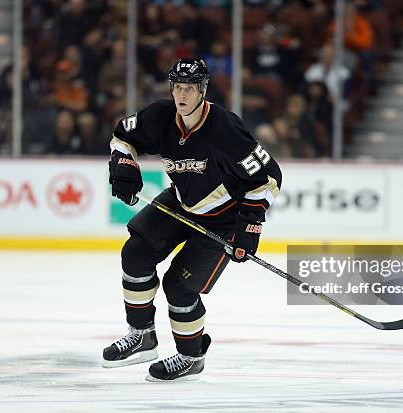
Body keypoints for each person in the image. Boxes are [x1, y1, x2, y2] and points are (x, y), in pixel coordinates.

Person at [103, 58, 282, 381]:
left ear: (202, 91)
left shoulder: (226, 130)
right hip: (182, 202)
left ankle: (191, 355)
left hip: (225, 219)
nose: (181, 95)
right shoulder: (159, 117)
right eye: (177, 87)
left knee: (179, 286)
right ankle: (142, 336)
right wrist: (123, 166)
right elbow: (122, 137)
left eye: (189, 88)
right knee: (135, 254)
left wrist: (250, 227)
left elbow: (268, 177)